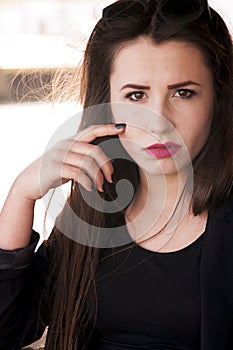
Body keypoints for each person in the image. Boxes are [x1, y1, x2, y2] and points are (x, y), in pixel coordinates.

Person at [1, 0, 233, 349]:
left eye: (183, 93)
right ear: (107, 103)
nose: (159, 120)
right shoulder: (94, 207)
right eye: (136, 95)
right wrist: (21, 193)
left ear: (218, 97)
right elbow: (8, 329)